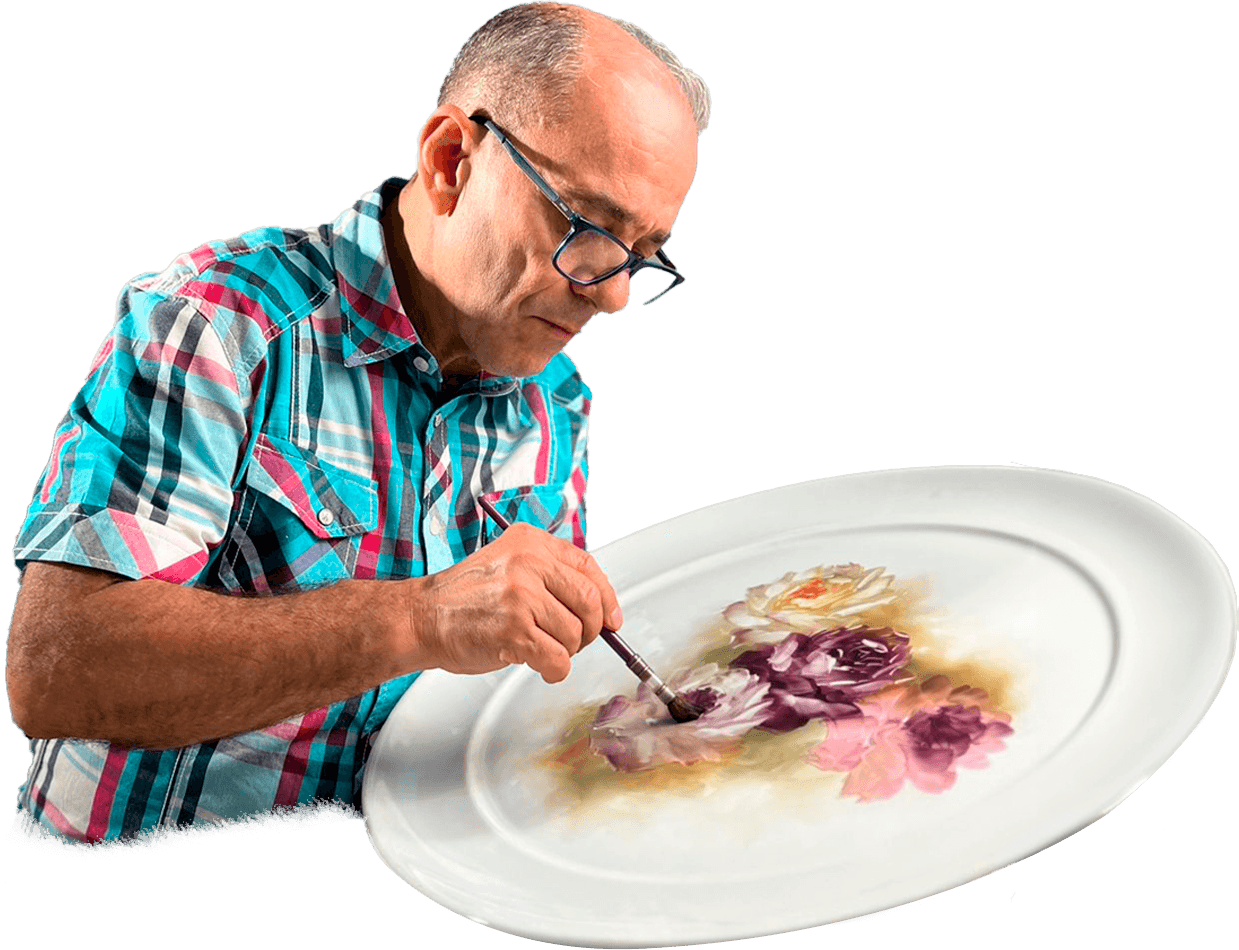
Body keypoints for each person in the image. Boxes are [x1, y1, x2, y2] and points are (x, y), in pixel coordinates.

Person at [5, 2, 708, 847]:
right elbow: (59, 671)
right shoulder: (221, 321)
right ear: (452, 160)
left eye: (642, 251)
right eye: (587, 225)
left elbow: (505, 691)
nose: (612, 291)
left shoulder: (554, 402)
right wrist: (421, 618)